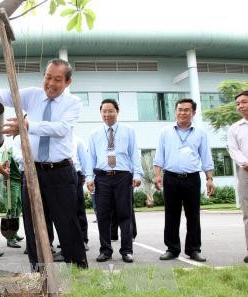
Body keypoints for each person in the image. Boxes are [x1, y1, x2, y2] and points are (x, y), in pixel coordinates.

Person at [0, 58, 88, 269]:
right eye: (48, 77)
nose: (51, 83)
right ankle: (38, 271)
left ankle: (78, 270)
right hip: (32, 172)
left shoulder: (73, 103)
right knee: (33, 225)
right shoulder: (32, 96)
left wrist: (27, 125)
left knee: (67, 223)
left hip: (61, 172)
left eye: (57, 79)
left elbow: (61, 129)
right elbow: (5, 95)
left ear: (68, 82)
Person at [153, 98, 215, 262]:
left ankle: (193, 249)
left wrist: (209, 178)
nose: (182, 112)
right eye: (179, 109)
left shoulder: (200, 133)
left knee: (193, 215)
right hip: (171, 178)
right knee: (171, 215)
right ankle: (172, 249)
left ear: (193, 112)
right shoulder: (165, 132)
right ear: (175, 111)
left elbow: (206, 158)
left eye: (186, 110)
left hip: (192, 179)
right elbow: (159, 156)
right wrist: (158, 175)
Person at [86, 99, 142, 263]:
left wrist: (137, 174)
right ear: (101, 113)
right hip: (102, 177)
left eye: (111, 111)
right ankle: (105, 250)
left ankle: (127, 250)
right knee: (102, 215)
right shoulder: (94, 134)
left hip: (123, 177)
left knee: (125, 214)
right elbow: (91, 158)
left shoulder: (128, 131)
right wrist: (89, 178)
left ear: (117, 112)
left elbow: (134, 153)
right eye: (104, 111)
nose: (107, 114)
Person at [227, 91, 248, 264]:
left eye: (244, 102)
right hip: (246, 172)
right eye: (238, 104)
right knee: (247, 213)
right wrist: (245, 162)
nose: (240, 106)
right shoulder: (235, 128)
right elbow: (233, 149)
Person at [1, 145, 24, 248]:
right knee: (11, 208)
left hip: (19, 182)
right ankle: (10, 238)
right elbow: (4, 168)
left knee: (18, 208)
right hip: (11, 182)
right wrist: (6, 183)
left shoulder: (22, 149)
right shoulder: (8, 152)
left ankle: (14, 232)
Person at [73, 135, 90, 251]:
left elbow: (84, 160)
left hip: (76, 175)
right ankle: (69, 240)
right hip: (61, 176)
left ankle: (83, 240)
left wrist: (84, 175)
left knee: (79, 210)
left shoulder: (78, 140)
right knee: (64, 212)